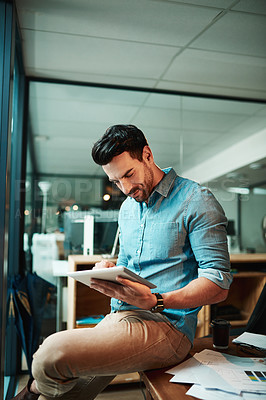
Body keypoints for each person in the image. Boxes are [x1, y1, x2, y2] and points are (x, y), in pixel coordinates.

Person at [13, 124, 232, 400]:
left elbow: (218, 284)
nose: (126, 188)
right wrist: (109, 272)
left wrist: (156, 300)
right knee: (60, 395)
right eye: (116, 181)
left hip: (168, 328)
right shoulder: (128, 208)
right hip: (120, 318)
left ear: (147, 155)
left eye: (129, 174)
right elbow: (126, 263)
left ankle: (31, 389)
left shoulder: (197, 201)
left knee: (49, 355)